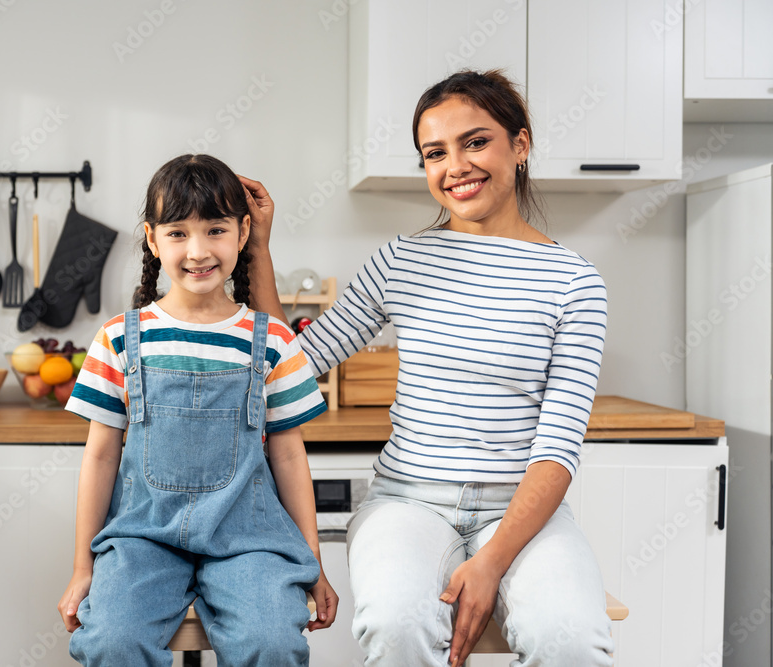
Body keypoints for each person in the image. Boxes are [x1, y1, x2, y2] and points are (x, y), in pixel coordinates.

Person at [241, 69, 614, 667]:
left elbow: (557, 451)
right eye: (434, 153)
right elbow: (294, 367)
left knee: (569, 640)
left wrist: (492, 563)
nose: (455, 166)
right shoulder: (400, 260)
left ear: (520, 145)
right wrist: (258, 247)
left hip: (519, 510)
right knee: (396, 625)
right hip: (405, 502)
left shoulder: (575, 282)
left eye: (475, 142)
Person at [57, 153, 339, 667]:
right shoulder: (119, 338)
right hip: (143, 539)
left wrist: (312, 562)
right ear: (152, 239)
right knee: (111, 642)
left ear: (243, 232)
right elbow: (99, 458)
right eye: (178, 233)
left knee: (272, 644)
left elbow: (291, 458)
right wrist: (83, 566)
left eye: (215, 230)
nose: (198, 250)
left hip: (249, 541)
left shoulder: (272, 339)